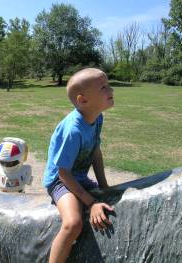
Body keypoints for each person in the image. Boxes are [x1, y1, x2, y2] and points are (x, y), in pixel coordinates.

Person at [43, 68, 115, 263]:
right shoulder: (73, 130)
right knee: (73, 224)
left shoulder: (97, 117)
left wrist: (105, 186)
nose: (111, 90)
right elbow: (64, 173)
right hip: (60, 180)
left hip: (79, 178)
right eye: (103, 88)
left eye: (108, 85)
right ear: (83, 100)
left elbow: (95, 152)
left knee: (112, 200)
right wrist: (90, 202)